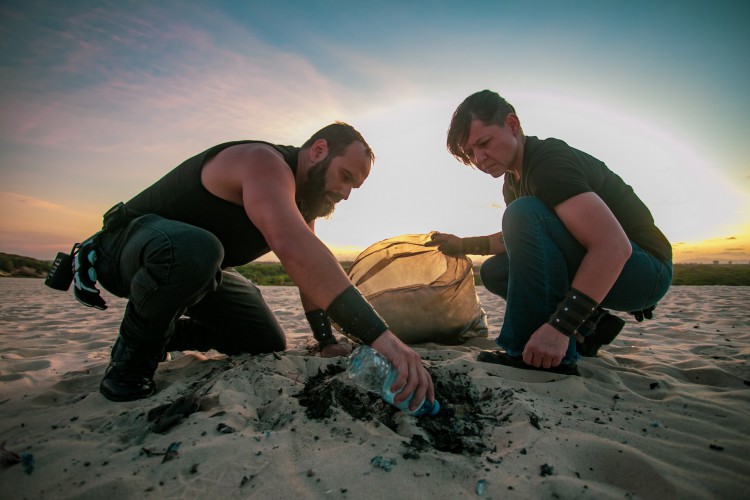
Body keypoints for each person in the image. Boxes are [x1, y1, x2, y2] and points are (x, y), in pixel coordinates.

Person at [69, 122, 434, 404]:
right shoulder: (263, 162)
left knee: (265, 340)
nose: (345, 193)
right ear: (319, 150)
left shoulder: (300, 203)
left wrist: (325, 340)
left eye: (355, 186)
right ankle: (131, 362)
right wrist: (383, 339)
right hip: (123, 250)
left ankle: (166, 331)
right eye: (345, 177)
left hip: (196, 272)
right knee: (199, 249)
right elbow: (292, 247)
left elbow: (309, 270)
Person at [430, 90, 672, 374]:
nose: (480, 158)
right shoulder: (512, 181)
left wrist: (560, 327)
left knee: (522, 212)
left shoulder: (547, 163)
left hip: (644, 270)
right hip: (617, 268)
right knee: (495, 272)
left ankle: (536, 353)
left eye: (484, 143)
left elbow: (614, 247)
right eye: (470, 153)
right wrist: (462, 245)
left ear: (512, 125)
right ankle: (591, 327)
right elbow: (517, 239)